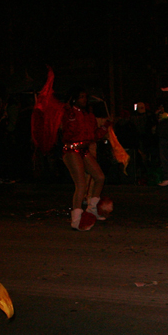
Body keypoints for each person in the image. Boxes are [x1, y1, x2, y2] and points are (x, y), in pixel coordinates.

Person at [60, 88, 111, 231]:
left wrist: (105, 127)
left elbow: (94, 135)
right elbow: (68, 133)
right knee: (81, 184)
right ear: (75, 99)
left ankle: (92, 209)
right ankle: (76, 219)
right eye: (81, 97)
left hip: (83, 150)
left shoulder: (89, 115)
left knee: (99, 177)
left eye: (85, 97)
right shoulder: (69, 113)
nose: (84, 99)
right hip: (71, 150)